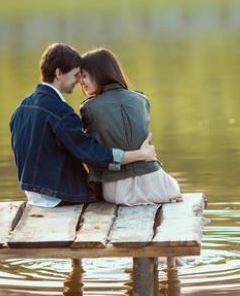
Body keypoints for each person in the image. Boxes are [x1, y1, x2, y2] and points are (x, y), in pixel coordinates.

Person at [9, 43, 157, 207]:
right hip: (58, 194)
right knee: (117, 189)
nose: (79, 81)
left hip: (33, 192)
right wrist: (141, 155)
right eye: (75, 75)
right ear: (59, 73)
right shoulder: (60, 111)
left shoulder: (22, 107)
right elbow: (93, 154)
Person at [79, 48, 182, 206]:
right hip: (158, 185)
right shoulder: (141, 99)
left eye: (84, 76)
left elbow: (95, 155)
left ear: (99, 73)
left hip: (119, 190)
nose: (81, 82)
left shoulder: (89, 108)